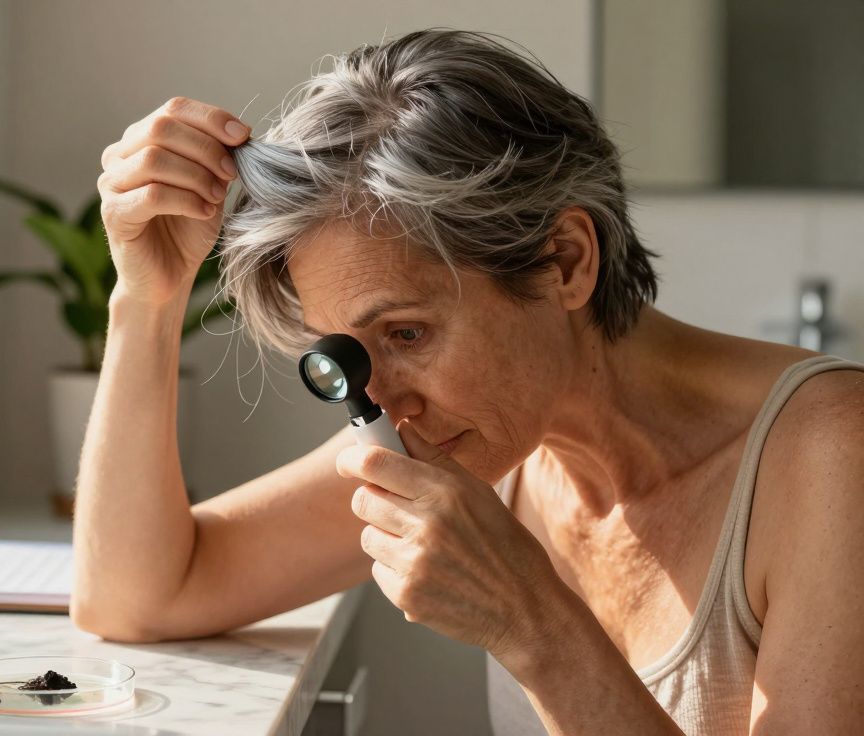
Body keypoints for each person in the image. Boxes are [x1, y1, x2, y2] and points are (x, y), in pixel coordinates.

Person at [77, 28, 864, 734]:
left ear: (566, 261)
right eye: (349, 354)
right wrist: (146, 298)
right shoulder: (493, 435)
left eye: (408, 334)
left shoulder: (834, 458)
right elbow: (139, 596)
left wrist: (534, 623)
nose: (380, 402)